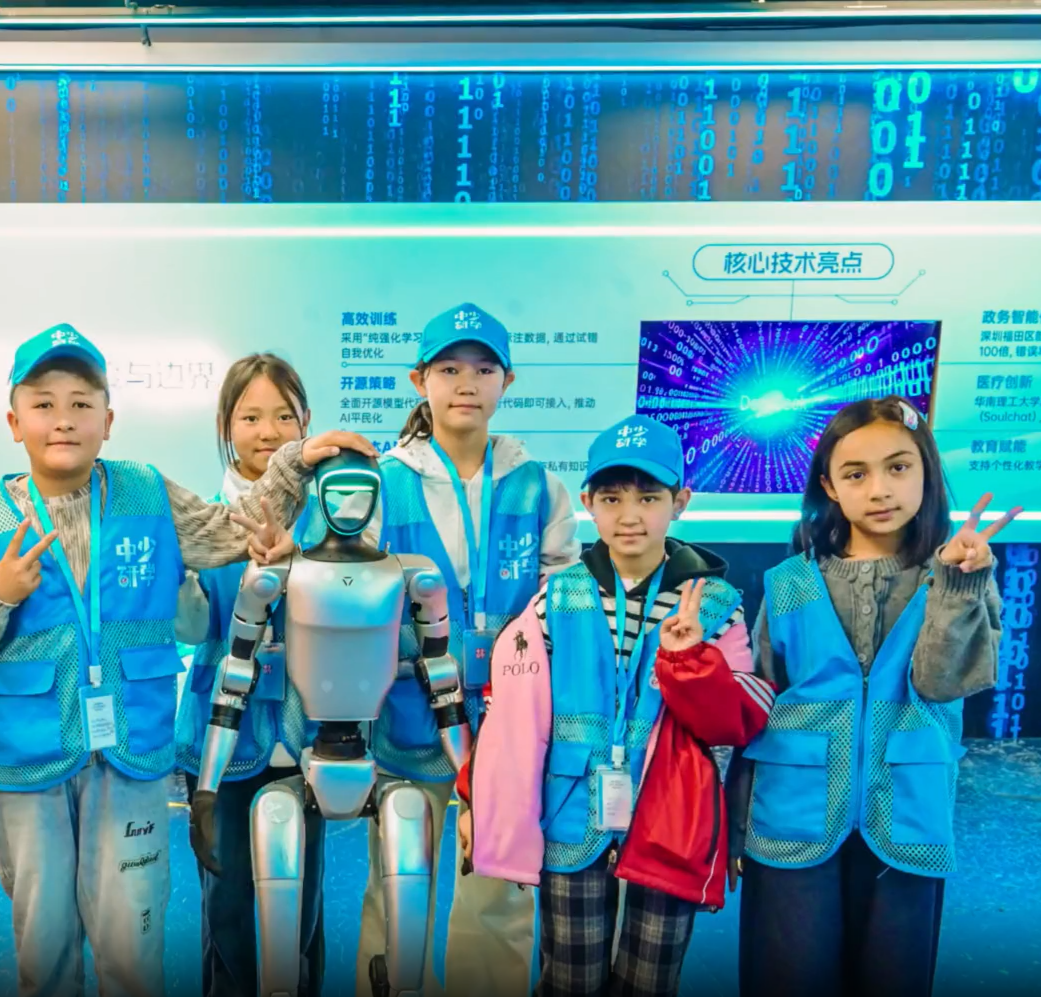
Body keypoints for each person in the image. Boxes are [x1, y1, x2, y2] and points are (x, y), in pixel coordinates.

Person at [0, 323, 372, 997]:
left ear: (109, 420)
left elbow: (231, 530)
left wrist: (294, 461)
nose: (63, 419)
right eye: (43, 404)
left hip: (131, 755)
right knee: (44, 950)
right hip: (28, 765)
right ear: (13, 422)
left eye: (82, 403)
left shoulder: (147, 493)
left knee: (134, 948)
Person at [468, 415, 774, 997]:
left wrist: (690, 661)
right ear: (588, 503)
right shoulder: (555, 598)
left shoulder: (715, 606)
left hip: (670, 814)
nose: (630, 515)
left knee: (650, 979)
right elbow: (509, 709)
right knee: (570, 977)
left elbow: (735, 722)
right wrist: (476, 800)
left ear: (680, 502)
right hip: (571, 810)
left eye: (649, 497)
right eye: (611, 498)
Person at [732, 396, 1014, 997]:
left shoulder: (958, 577)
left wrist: (957, 587)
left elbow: (942, 684)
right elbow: (756, 710)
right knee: (787, 975)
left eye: (898, 467)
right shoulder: (787, 584)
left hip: (907, 813)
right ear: (829, 486)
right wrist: (734, 824)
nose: (880, 489)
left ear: (926, 472)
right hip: (792, 814)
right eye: (856, 474)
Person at [359, 303, 579, 997]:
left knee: (499, 889)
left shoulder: (537, 486)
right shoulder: (382, 482)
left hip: (509, 718)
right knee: (400, 882)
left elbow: (562, 595)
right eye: (449, 368)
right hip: (409, 714)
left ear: (507, 381)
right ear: (418, 379)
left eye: (484, 370)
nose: (466, 383)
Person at [175, 353, 327, 997]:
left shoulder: (329, 516)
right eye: (250, 417)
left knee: (303, 909)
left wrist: (304, 564)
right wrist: (182, 578)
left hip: (305, 732)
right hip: (222, 736)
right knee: (228, 904)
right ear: (225, 425)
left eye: (284, 416)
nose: (268, 432)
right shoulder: (204, 522)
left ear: (306, 422)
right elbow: (192, 630)